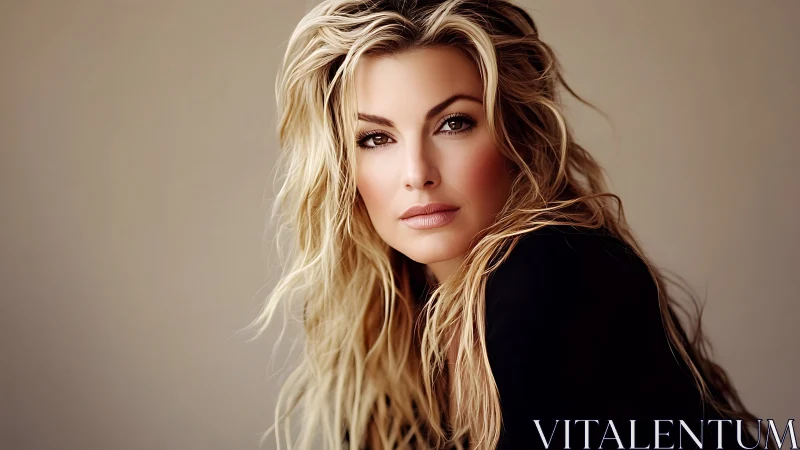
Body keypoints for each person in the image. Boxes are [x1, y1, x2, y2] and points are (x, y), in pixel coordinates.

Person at [243, 1, 770, 449]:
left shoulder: (557, 275)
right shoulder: (403, 315)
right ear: (341, 165)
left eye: (454, 123)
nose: (417, 174)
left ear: (517, 135)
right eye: (376, 139)